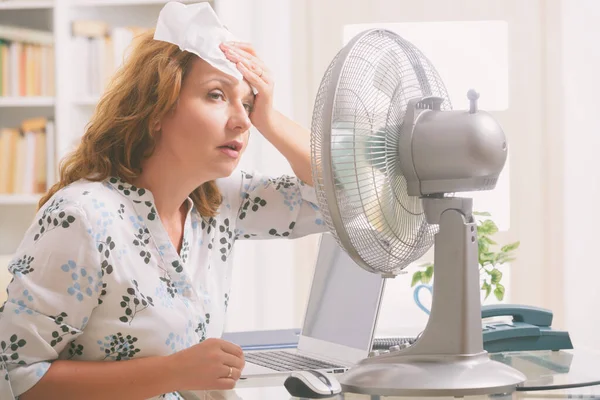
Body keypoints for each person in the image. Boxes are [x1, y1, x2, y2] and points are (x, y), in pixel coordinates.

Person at [0, 24, 325, 400]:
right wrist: (173, 372)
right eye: (216, 95)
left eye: (247, 104)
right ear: (157, 111)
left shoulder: (217, 203)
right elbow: (18, 376)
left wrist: (270, 118)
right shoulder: (83, 216)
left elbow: (336, 200)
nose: (242, 120)